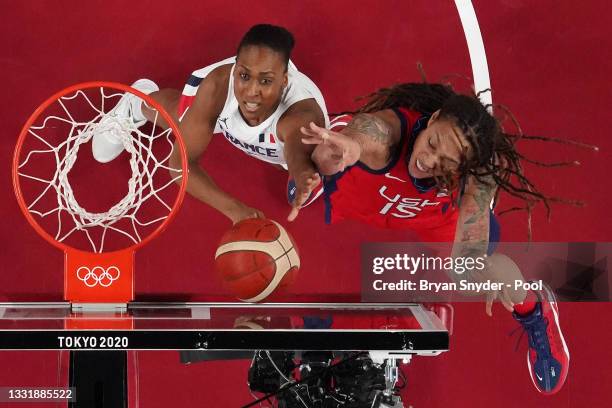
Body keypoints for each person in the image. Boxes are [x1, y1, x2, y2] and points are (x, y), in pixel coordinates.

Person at [299, 82, 575, 395]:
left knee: (473, 276)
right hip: (367, 193)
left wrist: (491, 271)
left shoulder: (479, 174)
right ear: (433, 120)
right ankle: (316, 179)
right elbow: (367, 130)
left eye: (446, 162)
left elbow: (466, 262)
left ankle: (535, 308)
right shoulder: (388, 132)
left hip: (432, 214)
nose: (428, 162)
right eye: (432, 143)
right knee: (322, 156)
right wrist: (348, 146)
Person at [92, 24, 328, 224]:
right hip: (225, 108)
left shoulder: (301, 116)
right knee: (178, 119)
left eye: (266, 81)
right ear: (236, 69)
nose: (251, 92)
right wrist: (235, 211)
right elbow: (179, 164)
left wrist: (303, 172)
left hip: (289, 138)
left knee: (315, 156)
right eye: (244, 76)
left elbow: (297, 150)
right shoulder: (217, 88)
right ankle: (137, 101)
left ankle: (313, 168)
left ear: (284, 80)